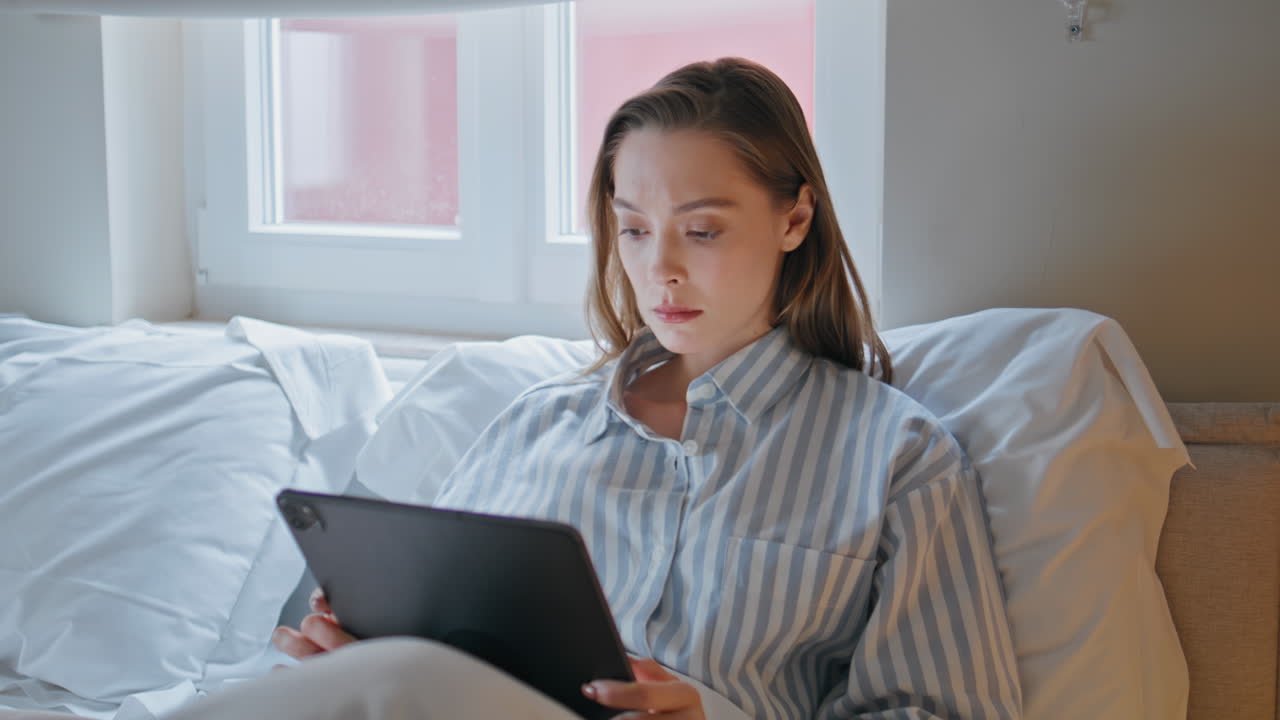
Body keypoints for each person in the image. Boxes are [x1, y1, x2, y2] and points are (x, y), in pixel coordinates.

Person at [167, 57, 1021, 720]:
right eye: (635, 230)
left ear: (794, 218)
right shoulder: (533, 428)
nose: (662, 269)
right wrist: (350, 657)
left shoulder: (895, 455)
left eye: (702, 229)